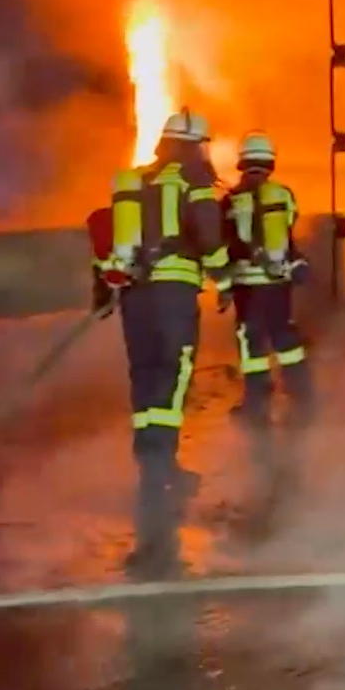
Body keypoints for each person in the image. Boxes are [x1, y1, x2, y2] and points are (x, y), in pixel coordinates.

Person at [93, 109, 229, 573]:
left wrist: (104, 291)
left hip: (134, 294)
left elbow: (107, 237)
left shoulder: (134, 181)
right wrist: (225, 278)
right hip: (173, 292)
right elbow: (208, 235)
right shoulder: (193, 180)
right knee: (174, 372)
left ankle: (151, 458)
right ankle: (162, 464)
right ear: (193, 145)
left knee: (146, 374)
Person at [220, 131, 313, 484]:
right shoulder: (283, 194)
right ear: (270, 163)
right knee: (285, 336)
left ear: (242, 162)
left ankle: (257, 401)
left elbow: (224, 244)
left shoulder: (229, 200)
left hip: (246, 284)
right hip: (277, 284)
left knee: (251, 343)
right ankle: (302, 394)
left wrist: (226, 285)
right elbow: (288, 233)